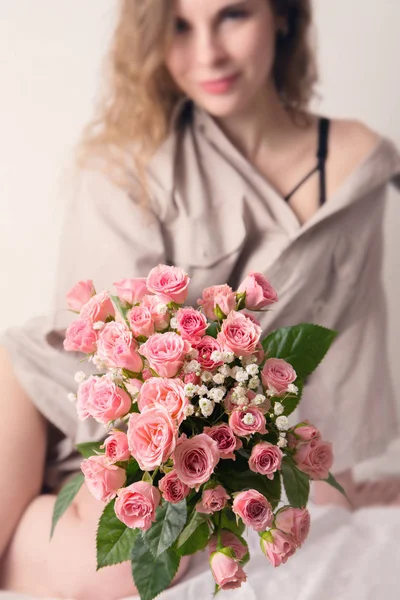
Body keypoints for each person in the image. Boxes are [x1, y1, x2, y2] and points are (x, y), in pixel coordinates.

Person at [1, 0, 400, 597]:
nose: (207, 53)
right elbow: (102, 357)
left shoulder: (350, 161)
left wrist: (327, 471)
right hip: (50, 397)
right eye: (180, 27)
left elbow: (347, 340)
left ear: (283, 17)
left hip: (202, 448)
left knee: (124, 570)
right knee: (105, 568)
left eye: (232, 16)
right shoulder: (129, 160)